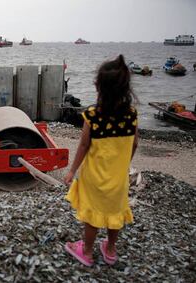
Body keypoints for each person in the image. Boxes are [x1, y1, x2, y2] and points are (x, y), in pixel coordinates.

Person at [63, 54, 139, 267]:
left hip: (95, 178)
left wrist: (71, 171)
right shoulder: (131, 115)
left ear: (99, 87)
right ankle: (111, 250)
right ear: (125, 88)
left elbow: (84, 146)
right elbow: (134, 144)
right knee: (116, 214)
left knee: (92, 216)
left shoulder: (93, 115)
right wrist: (125, 164)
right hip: (119, 179)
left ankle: (86, 251)